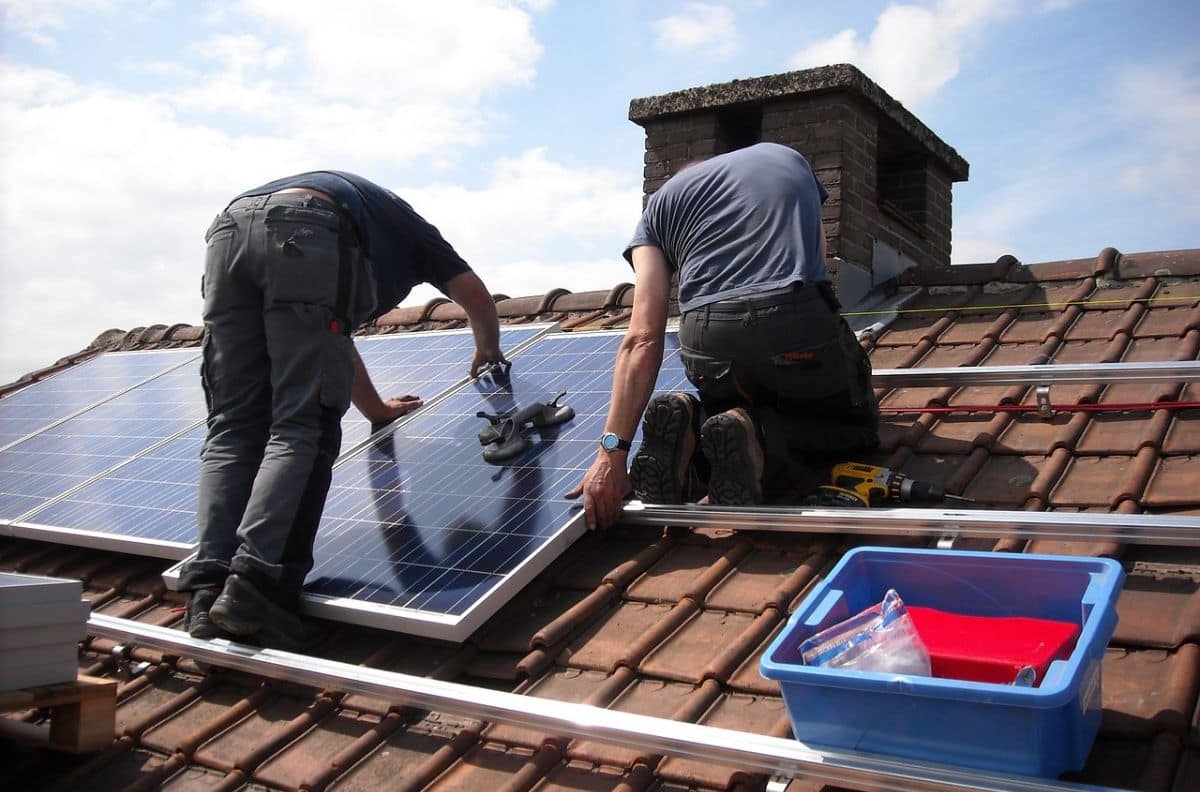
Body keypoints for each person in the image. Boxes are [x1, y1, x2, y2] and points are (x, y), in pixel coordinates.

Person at [178, 171, 507, 648]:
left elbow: (329, 341)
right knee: (302, 427)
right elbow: (475, 296)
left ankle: (207, 593)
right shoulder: (415, 235)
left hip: (229, 232)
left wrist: (375, 408)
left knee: (233, 427)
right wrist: (488, 349)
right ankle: (258, 588)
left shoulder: (371, 224)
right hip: (306, 226)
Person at [569, 143, 879, 529]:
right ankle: (761, 441)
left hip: (707, 339)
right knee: (854, 427)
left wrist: (611, 453)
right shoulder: (786, 157)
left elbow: (643, 337)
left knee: (732, 401)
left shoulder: (657, 209)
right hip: (793, 315)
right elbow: (819, 269)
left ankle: (693, 425)